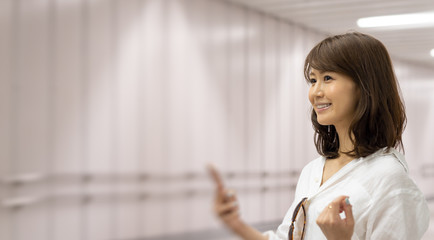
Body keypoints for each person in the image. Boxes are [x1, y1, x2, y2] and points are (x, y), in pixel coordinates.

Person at [209, 32, 430, 240]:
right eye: (313, 80)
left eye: (327, 78)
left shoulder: (389, 178)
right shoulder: (313, 171)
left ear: (364, 86)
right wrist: (236, 224)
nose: (315, 92)